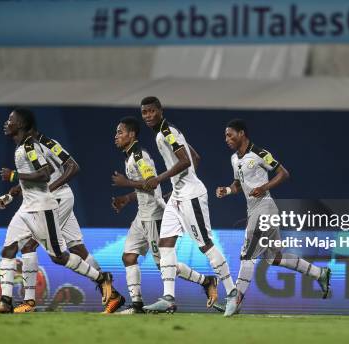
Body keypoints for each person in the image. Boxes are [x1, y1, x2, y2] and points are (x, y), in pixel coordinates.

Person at [0, 108, 114, 313]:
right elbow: (29, 178)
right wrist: (11, 194)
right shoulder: (23, 148)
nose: (6, 123)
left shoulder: (46, 144)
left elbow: (69, 168)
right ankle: (9, 302)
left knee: (43, 251)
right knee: (74, 248)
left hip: (54, 200)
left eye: (11, 120)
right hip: (34, 203)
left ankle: (103, 283)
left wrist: (47, 187)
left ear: (26, 126)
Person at [216, 119, 331, 317]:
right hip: (255, 211)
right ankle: (319, 273)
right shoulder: (235, 159)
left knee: (247, 254)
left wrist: (264, 187)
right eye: (225, 135)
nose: (227, 139)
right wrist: (226, 190)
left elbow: (283, 173)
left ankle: (235, 301)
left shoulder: (260, 153)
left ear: (242, 133)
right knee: (274, 258)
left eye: (230, 134)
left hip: (265, 209)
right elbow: (237, 184)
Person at [111, 116, 219, 314]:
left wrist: (126, 184)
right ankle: (136, 304)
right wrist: (127, 198)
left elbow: (152, 182)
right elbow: (144, 187)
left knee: (164, 264)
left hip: (154, 215)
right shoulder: (130, 156)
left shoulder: (139, 156)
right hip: (140, 216)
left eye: (120, 132)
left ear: (132, 134)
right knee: (128, 257)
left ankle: (206, 281)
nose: (116, 136)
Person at [138, 97, 235, 314]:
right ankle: (169, 297)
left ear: (160, 111)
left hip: (191, 196)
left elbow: (185, 161)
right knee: (165, 244)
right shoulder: (167, 131)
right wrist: (176, 186)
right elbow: (196, 158)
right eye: (144, 112)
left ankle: (232, 293)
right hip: (179, 196)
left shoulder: (167, 132)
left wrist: (160, 179)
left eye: (151, 111)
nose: (147, 116)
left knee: (205, 245)